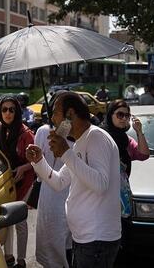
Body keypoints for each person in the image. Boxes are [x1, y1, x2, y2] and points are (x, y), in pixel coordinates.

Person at [26, 92, 121, 268]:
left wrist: (66, 153)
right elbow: (59, 181)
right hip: (83, 237)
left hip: (97, 239)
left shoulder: (96, 137)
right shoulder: (79, 142)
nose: (52, 118)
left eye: (55, 113)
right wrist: (39, 161)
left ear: (70, 114)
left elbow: (100, 184)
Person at [0, 95, 35, 268]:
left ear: (17, 112)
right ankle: (8, 257)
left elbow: (36, 160)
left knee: (19, 220)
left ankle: (21, 260)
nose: (7, 113)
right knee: (6, 219)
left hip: (23, 181)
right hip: (3, 181)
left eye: (11, 110)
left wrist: (23, 168)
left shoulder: (25, 133)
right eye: (4, 109)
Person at [100, 100, 149, 252]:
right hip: (102, 194)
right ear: (110, 115)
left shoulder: (126, 140)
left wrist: (139, 131)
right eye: (120, 114)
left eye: (126, 115)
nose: (123, 119)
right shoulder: (100, 136)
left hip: (121, 196)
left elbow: (143, 154)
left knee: (122, 237)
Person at [35, 92, 73, 268]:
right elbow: (38, 170)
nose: (53, 115)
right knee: (50, 242)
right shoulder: (43, 132)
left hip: (72, 194)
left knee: (70, 242)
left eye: (58, 110)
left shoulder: (79, 136)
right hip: (49, 194)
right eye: (54, 109)